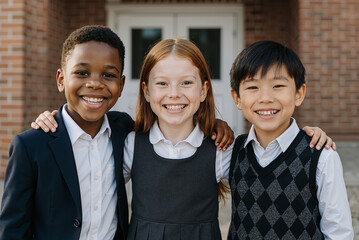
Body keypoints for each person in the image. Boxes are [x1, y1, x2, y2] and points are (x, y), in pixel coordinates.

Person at [30, 38, 334, 240]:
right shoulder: (130, 143)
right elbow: (90, 175)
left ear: (203, 91)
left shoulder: (223, 149)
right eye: (162, 83)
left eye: (186, 83)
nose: (174, 94)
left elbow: (268, 169)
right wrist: (58, 118)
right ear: (147, 92)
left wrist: (302, 138)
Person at [0, 25, 133, 240]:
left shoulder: (124, 130)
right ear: (61, 80)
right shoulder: (31, 146)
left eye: (108, 75)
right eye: (82, 73)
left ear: (121, 84)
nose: (95, 83)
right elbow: (13, 227)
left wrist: (209, 133)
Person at [228, 40, 353, 239]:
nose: (266, 98)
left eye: (278, 85)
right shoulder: (229, 152)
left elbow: (339, 232)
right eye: (253, 87)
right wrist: (216, 124)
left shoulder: (321, 157)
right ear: (237, 98)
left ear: (299, 93)